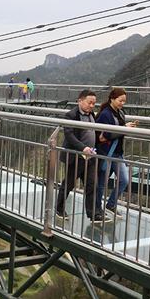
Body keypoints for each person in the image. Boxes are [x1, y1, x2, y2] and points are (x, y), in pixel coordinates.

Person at [55, 89, 106, 222]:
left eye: (94, 103)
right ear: (80, 101)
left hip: (90, 156)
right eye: (89, 103)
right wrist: (83, 148)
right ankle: (59, 209)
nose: (91, 106)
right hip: (76, 156)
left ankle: (93, 214)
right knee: (69, 184)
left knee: (91, 184)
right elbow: (69, 135)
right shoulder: (71, 115)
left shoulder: (92, 115)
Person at [95, 87, 137, 218]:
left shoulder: (119, 112)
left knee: (124, 180)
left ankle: (110, 204)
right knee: (102, 183)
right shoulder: (105, 114)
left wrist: (126, 127)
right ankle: (96, 210)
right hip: (106, 152)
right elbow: (103, 135)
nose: (122, 103)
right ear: (112, 99)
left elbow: (116, 130)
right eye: (120, 100)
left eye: (124, 101)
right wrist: (124, 128)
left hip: (117, 152)